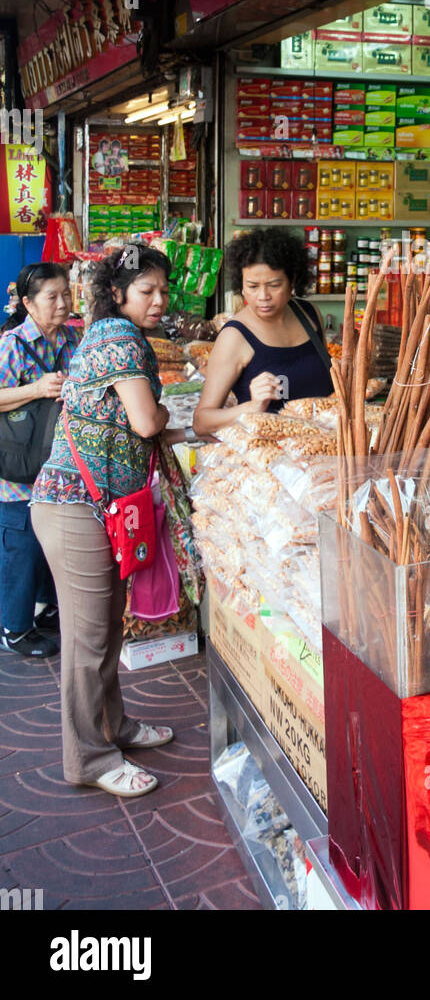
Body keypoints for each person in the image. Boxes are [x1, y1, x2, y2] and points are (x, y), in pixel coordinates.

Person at [31, 246, 189, 798]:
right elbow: (147, 420)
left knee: (106, 626)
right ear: (117, 293)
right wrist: (168, 416)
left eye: (164, 290)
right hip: (75, 507)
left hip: (96, 507)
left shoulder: (107, 334)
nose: (159, 300)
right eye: (147, 291)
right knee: (88, 640)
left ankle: (113, 727)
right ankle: (89, 758)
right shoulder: (120, 339)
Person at [0, 264, 78, 657]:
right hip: (15, 468)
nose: (64, 303)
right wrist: (35, 389)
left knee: (49, 538)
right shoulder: (12, 345)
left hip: (53, 461)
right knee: (21, 546)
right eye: (53, 297)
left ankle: (45, 608)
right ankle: (13, 627)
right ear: (29, 303)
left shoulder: (69, 338)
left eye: (67, 294)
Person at [193, 227, 333, 435]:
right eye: (252, 286)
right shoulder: (234, 336)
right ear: (241, 285)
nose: (263, 296)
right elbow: (201, 422)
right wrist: (251, 407)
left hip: (325, 451)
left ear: (292, 281)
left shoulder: (310, 316)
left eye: (274, 285)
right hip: (271, 460)